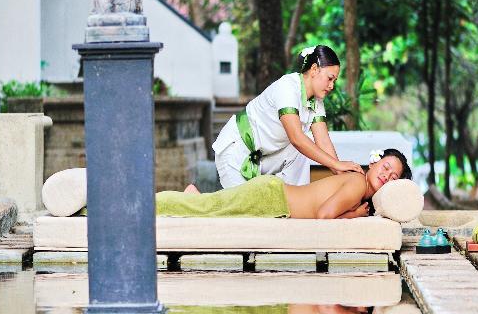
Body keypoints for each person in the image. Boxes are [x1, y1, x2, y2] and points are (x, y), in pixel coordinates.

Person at [212, 45, 363, 188]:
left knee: (301, 152)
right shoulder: (287, 87)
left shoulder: (316, 101)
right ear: (314, 69)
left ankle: (295, 201)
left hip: (263, 158)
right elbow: (296, 138)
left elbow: (323, 141)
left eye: (334, 81)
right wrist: (336, 164)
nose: (332, 86)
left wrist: (344, 177)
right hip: (236, 150)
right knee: (239, 210)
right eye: (330, 78)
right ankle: (195, 196)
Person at [156, 149, 412, 219]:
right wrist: (354, 214)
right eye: (386, 167)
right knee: (208, 211)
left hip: (273, 197)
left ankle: (193, 196)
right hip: (271, 197)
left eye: (393, 177)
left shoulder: (359, 187)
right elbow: (324, 215)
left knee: (211, 207)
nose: (386, 176)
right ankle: (154, 205)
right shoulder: (357, 183)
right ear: (373, 164)